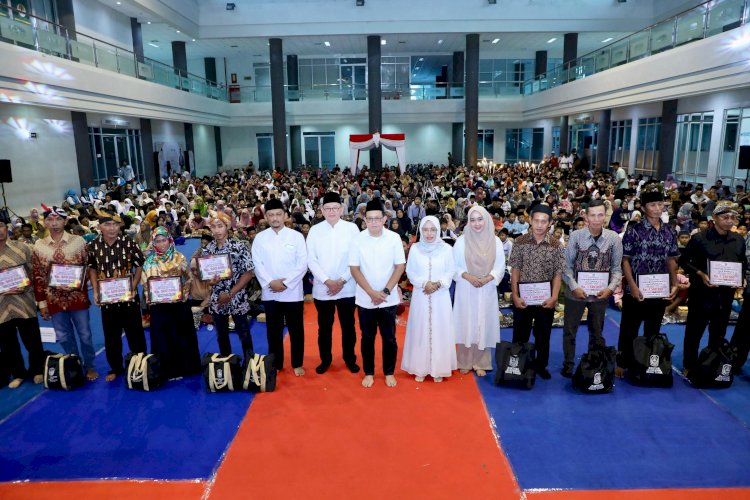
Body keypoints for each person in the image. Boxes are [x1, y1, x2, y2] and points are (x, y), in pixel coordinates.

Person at [679, 201, 747, 379]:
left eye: (733, 217)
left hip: (725, 296)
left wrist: (743, 278)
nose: (730, 221)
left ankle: (713, 363)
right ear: (715, 218)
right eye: (725, 217)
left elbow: (742, 263)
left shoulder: (739, 239)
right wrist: (700, 273)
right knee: (694, 331)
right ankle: (689, 365)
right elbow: (684, 261)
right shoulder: (699, 238)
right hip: (701, 294)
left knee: (719, 333)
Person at [616, 187, 679, 378]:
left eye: (660, 204)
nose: (658, 208)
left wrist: (674, 283)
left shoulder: (670, 231)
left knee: (653, 329)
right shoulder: (633, 230)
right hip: (635, 290)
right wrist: (632, 286)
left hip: (659, 289)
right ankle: (622, 362)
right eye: (653, 205)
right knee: (629, 328)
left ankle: (647, 362)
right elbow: (625, 259)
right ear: (643, 208)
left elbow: (671, 260)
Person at [32, 206, 98, 382]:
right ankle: (74, 364)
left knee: (85, 334)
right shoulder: (39, 246)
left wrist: (86, 285)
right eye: (50, 220)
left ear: (65, 221)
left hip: (78, 298)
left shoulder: (79, 242)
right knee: (63, 336)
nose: (54, 224)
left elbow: (89, 266)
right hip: (53, 300)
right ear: (45, 222)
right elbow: (38, 275)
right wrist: (42, 303)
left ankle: (90, 365)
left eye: (58, 219)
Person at [561, 200, 623, 377]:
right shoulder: (576, 236)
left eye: (600, 215)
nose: (597, 219)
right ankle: (568, 363)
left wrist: (610, 289)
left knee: (596, 330)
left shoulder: (613, 239)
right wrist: (574, 286)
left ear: (605, 215)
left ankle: (593, 362)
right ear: (586, 216)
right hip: (575, 293)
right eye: (593, 215)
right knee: (570, 329)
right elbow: (566, 266)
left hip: (600, 294)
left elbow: (616, 269)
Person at [349, 199, 406, 388]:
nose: (373, 222)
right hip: (366, 299)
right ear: (365, 219)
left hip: (388, 299)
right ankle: (369, 372)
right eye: (370, 219)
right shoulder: (357, 239)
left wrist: (385, 291)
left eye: (377, 219)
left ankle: (389, 371)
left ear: (384, 219)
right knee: (367, 337)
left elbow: (399, 266)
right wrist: (371, 292)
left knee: (389, 338)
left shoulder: (393, 238)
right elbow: (355, 269)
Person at [88, 208, 148, 382]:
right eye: (108, 224)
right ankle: (115, 367)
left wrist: (134, 286)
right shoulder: (93, 246)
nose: (112, 228)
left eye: (115, 224)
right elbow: (92, 268)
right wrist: (96, 290)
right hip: (108, 299)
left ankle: (140, 363)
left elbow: (139, 265)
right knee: (111, 335)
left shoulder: (128, 242)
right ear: (100, 226)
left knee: (135, 332)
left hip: (129, 297)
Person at [306, 192, 361, 374]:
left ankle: (349, 358)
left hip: (347, 287)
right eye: (327, 208)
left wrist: (342, 280)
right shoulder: (315, 230)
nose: (331, 211)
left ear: (342, 209)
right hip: (324, 288)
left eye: (335, 208)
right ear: (321, 210)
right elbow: (311, 260)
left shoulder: (352, 228)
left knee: (348, 327)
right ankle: (325, 360)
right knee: (324, 328)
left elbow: (356, 258)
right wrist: (328, 281)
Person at [252, 198, 308, 375]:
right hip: (270, 293)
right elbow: (257, 264)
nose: (275, 218)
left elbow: (303, 264)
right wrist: (270, 282)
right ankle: (276, 363)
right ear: (266, 217)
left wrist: (285, 283)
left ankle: (297, 363)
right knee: (273, 331)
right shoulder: (260, 238)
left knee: (296, 330)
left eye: (278, 214)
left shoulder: (296, 236)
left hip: (292, 292)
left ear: (285, 216)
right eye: (271, 215)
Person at [508, 203, 564, 379]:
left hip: (545, 299)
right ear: (530, 221)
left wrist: (554, 297)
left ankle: (541, 365)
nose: (540, 225)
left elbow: (557, 273)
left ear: (550, 223)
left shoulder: (556, 245)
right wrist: (515, 295)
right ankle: (518, 364)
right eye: (536, 220)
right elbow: (515, 270)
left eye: (544, 221)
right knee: (520, 333)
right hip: (523, 298)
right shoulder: (519, 242)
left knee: (543, 334)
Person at [401, 216, 457, 382]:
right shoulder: (416, 248)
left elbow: (451, 271)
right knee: (420, 329)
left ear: (439, 230)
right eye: (425, 229)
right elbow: (410, 272)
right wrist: (424, 283)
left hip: (440, 295)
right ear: (420, 230)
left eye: (433, 229)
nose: (429, 233)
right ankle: (420, 367)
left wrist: (438, 284)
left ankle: (439, 368)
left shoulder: (446, 249)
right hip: (421, 294)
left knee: (440, 329)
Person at [141, 226, 201, 379]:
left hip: (178, 305)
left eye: (164, 240)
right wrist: (150, 298)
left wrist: (183, 294)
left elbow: (189, 278)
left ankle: (185, 368)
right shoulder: (148, 262)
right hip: (159, 306)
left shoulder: (179, 257)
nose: (161, 244)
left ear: (169, 240)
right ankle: (167, 370)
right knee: (162, 337)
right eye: (158, 241)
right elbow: (146, 284)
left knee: (180, 335)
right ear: (153, 243)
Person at [453, 205, 505, 377]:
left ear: (487, 220)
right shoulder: (461, 241)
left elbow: (500, 267)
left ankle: (481, 362)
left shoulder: (495, 241)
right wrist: (468, 276)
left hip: (486, 288)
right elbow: (454, 266)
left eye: (480, 219)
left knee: (483, 323)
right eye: (472, 220)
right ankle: (464, 361)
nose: (476, 224)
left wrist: (487, 279)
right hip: (466, 287)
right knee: (466, 322)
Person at [0, 218, 45, 388]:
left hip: (24, 301)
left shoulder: (23, 248)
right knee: (7, 343)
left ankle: (37, 370)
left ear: (7, 228)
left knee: (32, 339)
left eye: (1, 226)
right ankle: (18, 373)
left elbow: (34, 273)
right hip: (1, 308)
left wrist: (26, 286)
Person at [203, 212, 255, 357]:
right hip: (217, 299)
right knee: (221, 334)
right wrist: (210, 281)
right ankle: (227, 364)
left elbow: (248, 273)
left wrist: (231, 293)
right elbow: (207, 275)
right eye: (213, 227)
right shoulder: (208, 249)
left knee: (243, 332)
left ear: (227, 226)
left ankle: (250, 364)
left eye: (220, 226)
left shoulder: (238, 246)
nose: (216, 230)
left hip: (237, 296)